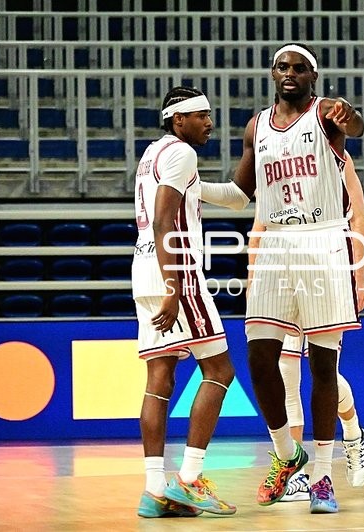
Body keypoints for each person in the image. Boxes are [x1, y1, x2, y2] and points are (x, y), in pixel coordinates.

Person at [229, 42, 364, 514]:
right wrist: (187, 185)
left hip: (323, 240)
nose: (290, 73)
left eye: (299, 68)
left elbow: (357, 125)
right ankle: (288, 454)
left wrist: (350, 117)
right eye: (282, 67)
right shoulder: (257, 127)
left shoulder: (326, 114)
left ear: (313, 76)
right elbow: (238, 193)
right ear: (272, 74)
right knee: (259, 358)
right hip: (275, 245)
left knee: (322, 369)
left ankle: (324, 478)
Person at [131, 86, 238, 518]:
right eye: (202, 116)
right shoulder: (182, 153)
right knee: (220, 368)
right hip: (176, 270)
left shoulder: (153, 154)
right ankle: (190, 480)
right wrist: (176, 287)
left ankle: (154, 491)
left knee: (160, 376)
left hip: (143, 269)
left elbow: (228, 195)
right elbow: (162, 219)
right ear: (179, 121)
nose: (210, 122)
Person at [244, 154, 364, 502]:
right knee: (285, 369)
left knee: (322, 368)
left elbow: (358, 216)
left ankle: (352, 432)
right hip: (281, 266)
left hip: (328, 262)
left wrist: (359, 278)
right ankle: (297, 470)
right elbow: (260, 226)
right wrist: (253, 276)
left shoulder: (337, 158)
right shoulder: (277, 156)